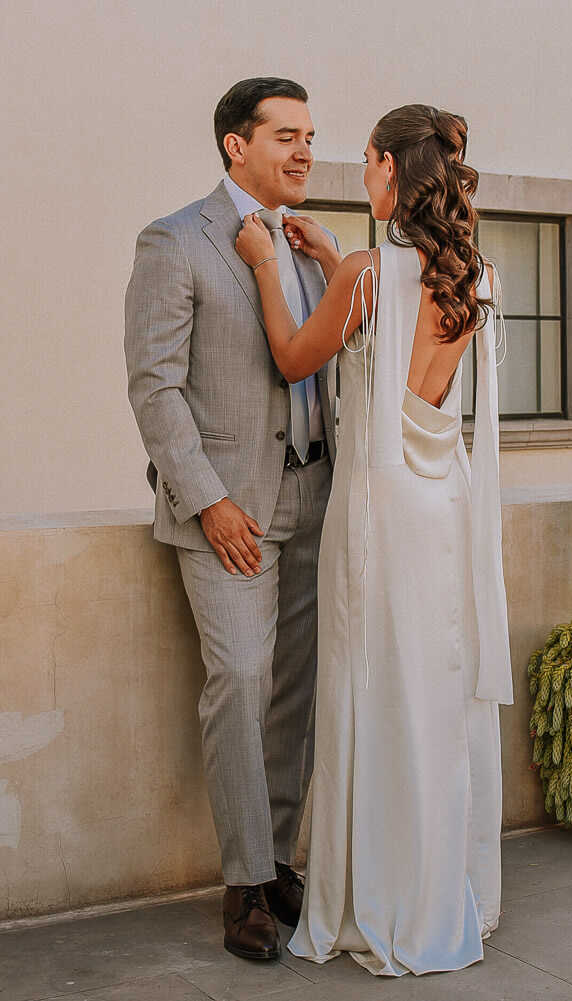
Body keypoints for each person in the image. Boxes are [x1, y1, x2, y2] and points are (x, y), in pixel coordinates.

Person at [235, 103, 514, 976]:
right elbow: (391, 324)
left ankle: (369, 893)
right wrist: (332, 260)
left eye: (364, 160)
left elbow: (292, 355)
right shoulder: (476, 275)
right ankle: (440, 883)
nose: (356, 174)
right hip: (442, 500)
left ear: (393, 171)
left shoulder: (363, 274)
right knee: (430, 695)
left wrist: (266, 268)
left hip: (378, 509)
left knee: (369, 689)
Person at [124, 78, 339, 962]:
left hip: (315, 498)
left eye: (310, 136)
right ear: (233, 145)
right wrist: (207, 498)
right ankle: (246, 879)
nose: (302, 151)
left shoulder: (307, 243)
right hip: (228, 507)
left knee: (296, 691)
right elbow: (154, 385)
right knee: (242, 680)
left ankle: (281, 860)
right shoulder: (175, 240)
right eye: (284, 135)